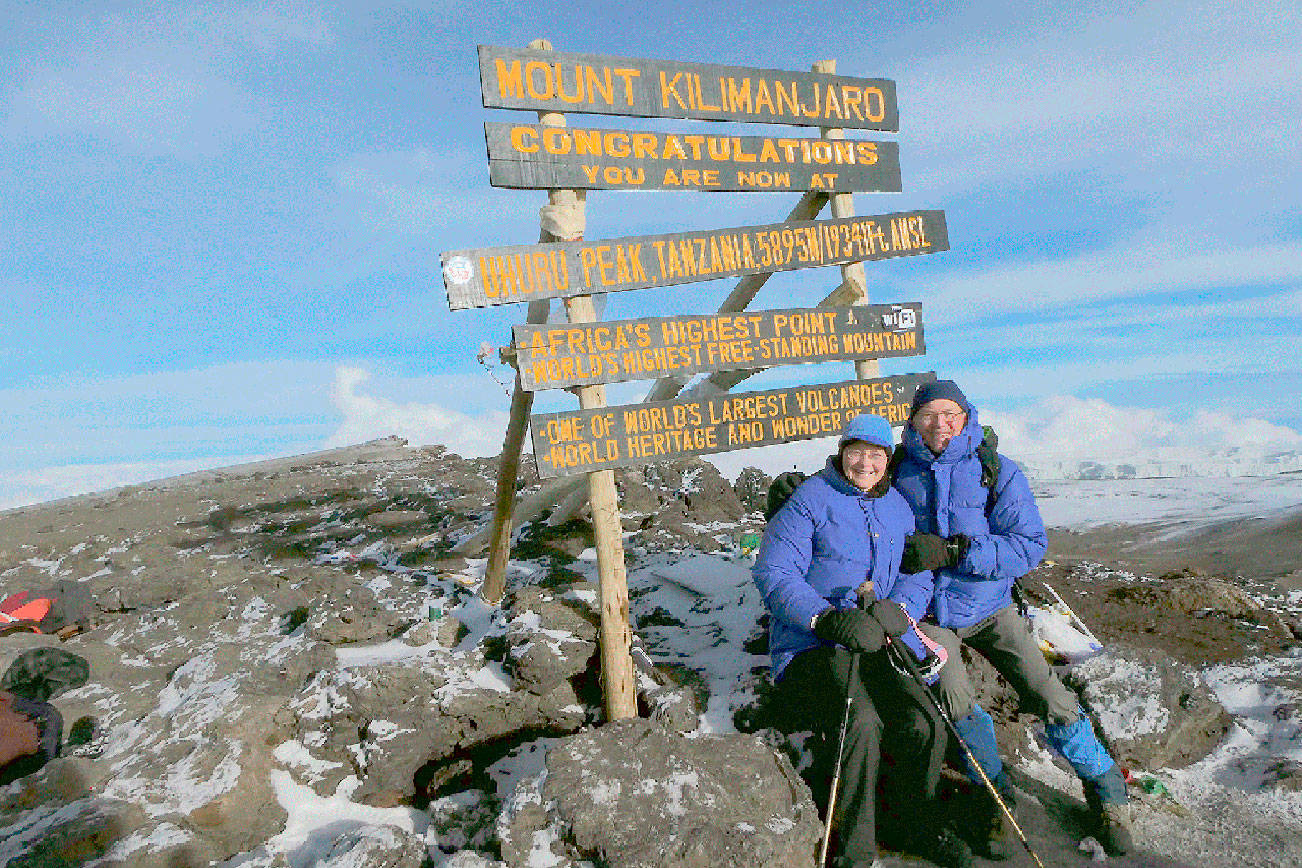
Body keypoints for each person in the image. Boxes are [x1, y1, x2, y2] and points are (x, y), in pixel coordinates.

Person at [894, 379, 1134, 857]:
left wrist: (958, 551)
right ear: (913, 422)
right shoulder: (895, 471)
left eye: (950, 414)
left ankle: (1107, 791)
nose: (940, 423)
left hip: (989, 606)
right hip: (928, 615)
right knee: (957, 705)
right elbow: (852, 499)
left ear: (965, 419)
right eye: (928, 415)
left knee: (1047, 692)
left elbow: (1028, 545)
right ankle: (996, 799)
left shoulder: (996, 471)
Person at [752, 412, 973, 868]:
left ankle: (911, 823)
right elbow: (775, 574)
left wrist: (900, 611)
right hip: (813, 646)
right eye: (857, 453)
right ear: (841, 453)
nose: (866, 464)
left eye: (876, 455)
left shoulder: (896, 507)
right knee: (862, 724)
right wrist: (824, 619)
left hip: (878, 641)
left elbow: (916, 573)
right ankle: (853, 848)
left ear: (887, 460)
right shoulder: (809, 500)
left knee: (924, 720)